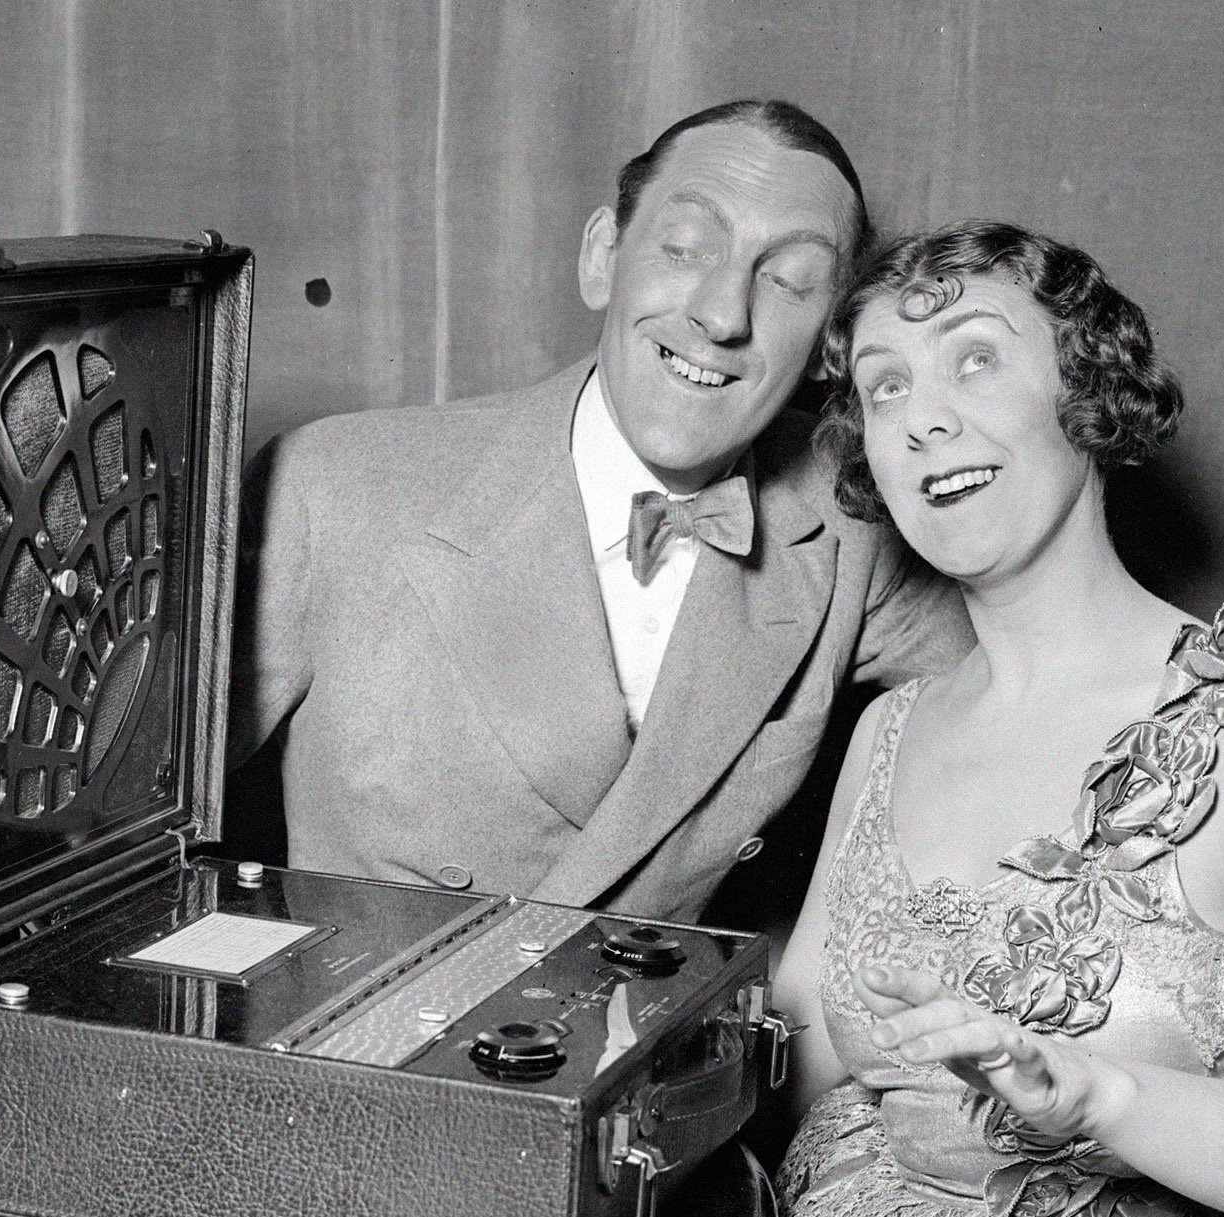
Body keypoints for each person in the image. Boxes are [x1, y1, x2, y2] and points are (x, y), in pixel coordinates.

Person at [768, 221, 1224, 1217]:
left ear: (1087, 393)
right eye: (885, 383)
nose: (922, 414)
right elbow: (787, 1043)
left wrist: (1097, 1096)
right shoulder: (885, 732)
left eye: (973, 357)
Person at [228, 99, 971, 923]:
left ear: (831, 342)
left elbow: (1054, 695)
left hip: (653, 1040)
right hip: (358, 1033)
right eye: (686, 249)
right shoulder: (331, 486)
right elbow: (117, 824)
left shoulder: (850, 520)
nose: (723, 315)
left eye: (788, 280)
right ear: (601, 259)